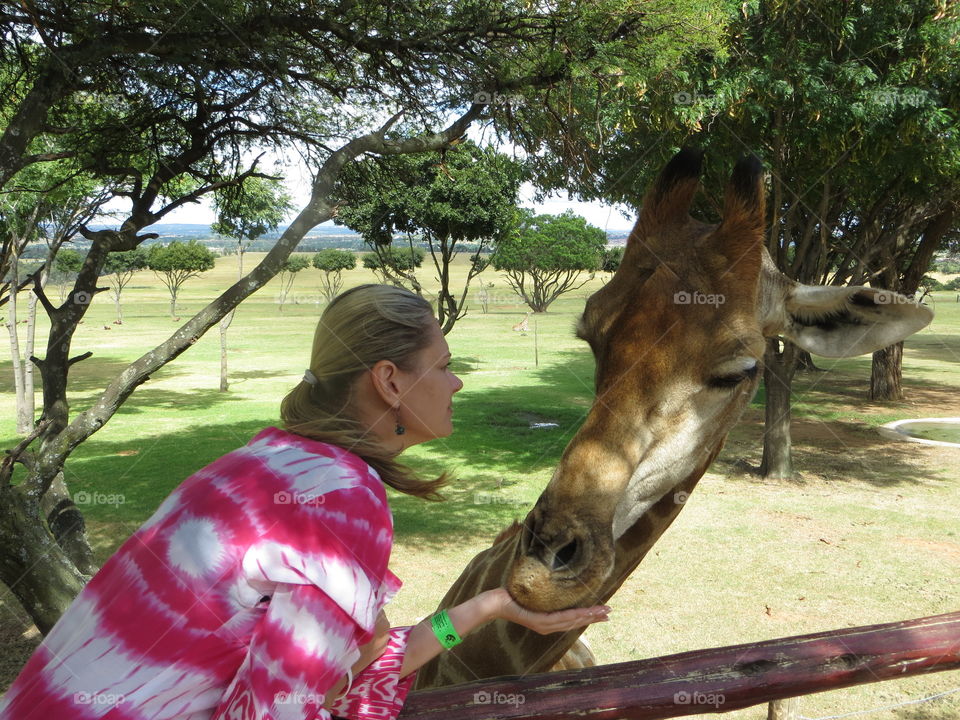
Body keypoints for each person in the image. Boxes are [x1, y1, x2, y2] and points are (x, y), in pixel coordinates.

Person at [0, 284, 610, 720]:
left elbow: (358, 662)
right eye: (444, 366)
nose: (456, 382)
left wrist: (491, 605)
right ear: (390, 381)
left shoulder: (271, 460)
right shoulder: (342, 500)